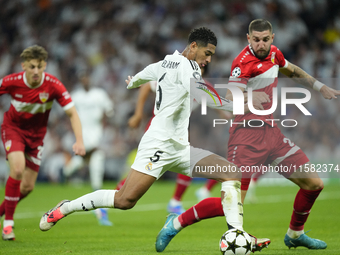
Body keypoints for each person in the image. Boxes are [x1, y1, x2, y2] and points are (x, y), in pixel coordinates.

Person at [39, 27, 270, 253]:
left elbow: (147, 73)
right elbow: (202, 94)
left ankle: (238, 235)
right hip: (158, 146)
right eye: (207, 53)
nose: (209, 59)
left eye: (211, 55)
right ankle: (65, 208)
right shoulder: (186, 67)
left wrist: (133, 81)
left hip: (180, 147)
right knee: (124, 200)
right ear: (193, 46)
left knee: (231, 173)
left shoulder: (167, 62)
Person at [155, 19, 340, 252]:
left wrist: (318, 86)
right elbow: (232, 96)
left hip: (272, 135)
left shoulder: (274, 54)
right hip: (246, 138)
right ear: (248, 38)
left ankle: (295, 234)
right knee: (230, 205)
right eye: (256, 39)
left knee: (313, 184)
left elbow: (292, 70)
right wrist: (250, 98)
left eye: (265, 39)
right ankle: (176, 222)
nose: (260, 44)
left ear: (272, 39)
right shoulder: (241, 63)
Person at [0, 45, 86, 240]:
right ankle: (8, 226)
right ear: (24, 66)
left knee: (28, 187)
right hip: (13, 129)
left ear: (45, 65)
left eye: (39, 66)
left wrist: (79, 140)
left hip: (36, 137)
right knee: (18, 170)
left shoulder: (53, 85)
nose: (36, 71)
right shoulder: (12, 81)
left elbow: (72, 113)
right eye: (32, 67)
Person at [62, 71, 114, 226]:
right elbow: (68, 113)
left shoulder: (99, 94)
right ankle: (69, 173)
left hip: (96, 132)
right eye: (82, 78)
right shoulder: (76, 95)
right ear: (80, 80)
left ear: (90, 79)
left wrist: (104, 125)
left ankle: (92, 189)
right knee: (93, 156)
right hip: (82, 133)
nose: (85, 81)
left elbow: (109, 111)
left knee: (95, 157)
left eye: (87, 78)